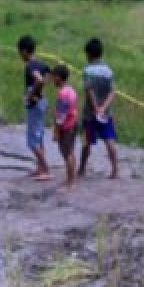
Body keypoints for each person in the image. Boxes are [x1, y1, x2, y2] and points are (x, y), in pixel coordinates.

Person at [79, 37, 119, 180]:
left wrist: (96, 107)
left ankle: (82, 168)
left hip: (90, 114)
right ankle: (115, 170)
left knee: (86, 143)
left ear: (88, 54)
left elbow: (89, 91)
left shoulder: (87, 70)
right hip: (106, 114)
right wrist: (103, 108)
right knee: (109, 140)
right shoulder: (108, 71)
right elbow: (112, 92)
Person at [17, 35, 51, 181]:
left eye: (19, 52)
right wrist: (40, 91)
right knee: (39, 137)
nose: (19, 55)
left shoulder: (30, 65)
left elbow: (39, 79)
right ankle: (40, 168)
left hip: (35, 104)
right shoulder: (41, 63)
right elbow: (49, 76)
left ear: (24, 51)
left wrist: (31, 95)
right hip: (42, 102)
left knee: (32, 140)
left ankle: (46, 169)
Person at [50, 64, 79, 187]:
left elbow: (61, 116)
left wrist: (56, 131)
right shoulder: (71, 90)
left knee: (67, 154)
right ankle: (71, 178)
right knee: (70, 152)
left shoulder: (63, 94)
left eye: (53, 77)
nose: (52, 79)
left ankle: (70, 182)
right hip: (73, 123)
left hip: (66, 127)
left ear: (58, 78)